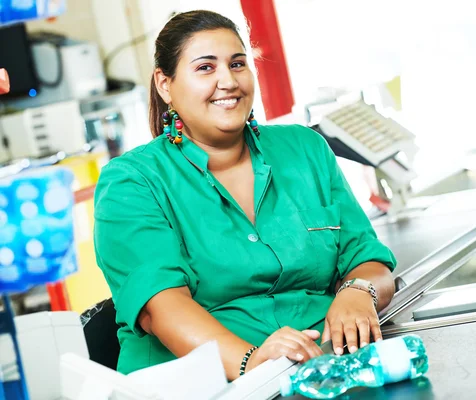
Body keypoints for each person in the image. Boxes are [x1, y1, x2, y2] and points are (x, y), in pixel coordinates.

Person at [94, 10, 397, 380]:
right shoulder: (131, 182)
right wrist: (251, 362)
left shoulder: (305, 149)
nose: (228, 81)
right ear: (165, 84)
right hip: (200, 385)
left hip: (325, 368)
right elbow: (161, 306)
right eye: (206, 68)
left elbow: (369, 262)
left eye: (238, 64)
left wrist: (357, 291)